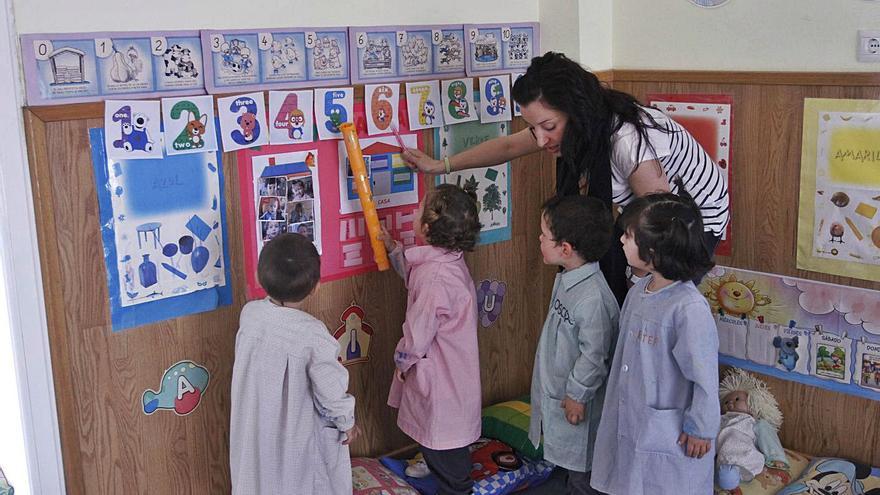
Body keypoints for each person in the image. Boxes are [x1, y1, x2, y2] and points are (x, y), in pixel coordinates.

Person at [402, 51, 729, 305]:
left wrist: (637, 285)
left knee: (649, 299)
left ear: (575, 111)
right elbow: (506, 145)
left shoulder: (627, 139)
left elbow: (661, 226)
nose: (541, 140)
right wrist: (439, 165)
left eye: (548, 127)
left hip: (692, 219)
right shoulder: (571, 125)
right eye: (534, 128)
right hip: (645, 214)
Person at [589, 186, 720, 494]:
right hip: (635, 421)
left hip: (671, 436)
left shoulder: (688, 309)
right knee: (630, 481)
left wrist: (702, 428)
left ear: (655, 251)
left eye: (630, 236)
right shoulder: (639, 290)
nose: (621, 239)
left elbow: (703, 377)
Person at [230, 233, 360, 494]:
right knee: (301, 479)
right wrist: (347, 422)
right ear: (316, 287)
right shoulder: (312, 334)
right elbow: (331, 389)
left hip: (255, 428)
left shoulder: (250, 316)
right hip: (295, 436)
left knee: (258, 479)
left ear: (259, 277)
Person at [379, 184, 482, 495]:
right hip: (451, 375)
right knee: (439, 435)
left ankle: (455, 484)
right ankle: (436, 462)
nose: (414, 209)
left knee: (444, 444)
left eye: (419, 206)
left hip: (442, 378)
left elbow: (418, 331)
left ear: (426, 227)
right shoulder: (446, 260)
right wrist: (393, 248)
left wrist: (403, 360)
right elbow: (414, 275)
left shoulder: (435, 278)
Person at [529, 195, 619, 495]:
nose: (539, 239)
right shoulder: (570, 279)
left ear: (565, 249)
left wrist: (577, 395)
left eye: (544, 235)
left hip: (577, 401)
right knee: (572, 469)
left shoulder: (593, 298)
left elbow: (595, 355)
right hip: (562, 392)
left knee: (584, 472)